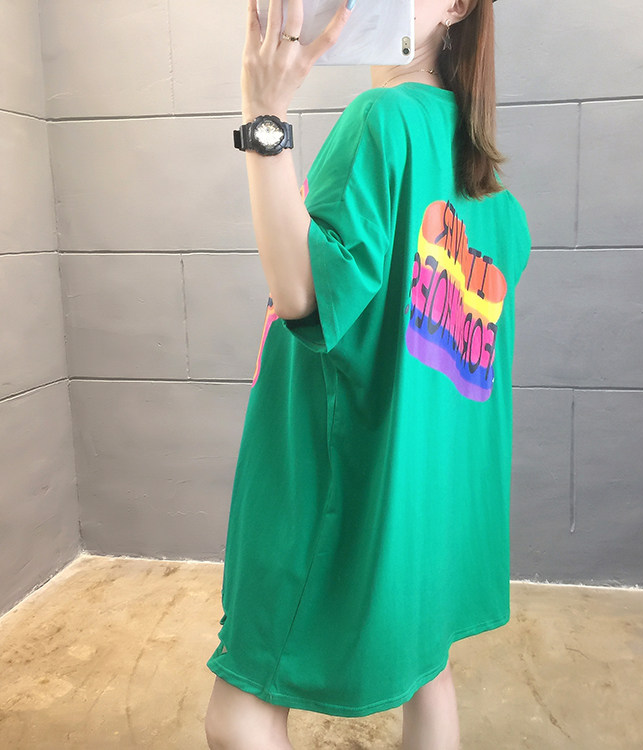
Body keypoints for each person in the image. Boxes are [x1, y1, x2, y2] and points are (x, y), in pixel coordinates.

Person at [204, 0, 530, 747]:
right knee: (427, 672)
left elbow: (301, 294)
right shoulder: (486, 184)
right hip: (426, 503)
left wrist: (264, 116)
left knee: (241, 711)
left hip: (332, 479)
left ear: (458, 6)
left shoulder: (381, 122)